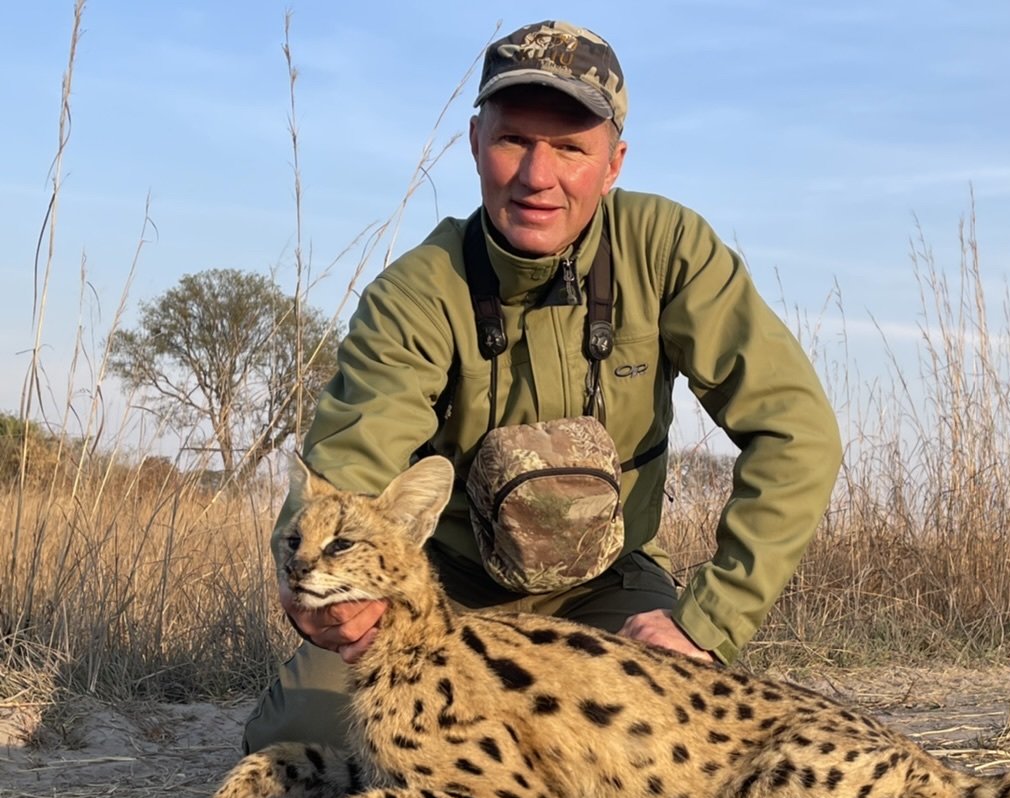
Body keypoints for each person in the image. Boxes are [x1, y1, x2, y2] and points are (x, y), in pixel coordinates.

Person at [242, 20, 842, 753]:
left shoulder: (669, 249)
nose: (537, 176)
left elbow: (796, 432)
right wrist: (335, 604)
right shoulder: (416, 293)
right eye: (512, 140)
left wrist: (707, 622)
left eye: (569, 148)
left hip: (607, 591)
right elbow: (343, 476)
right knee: (310, 739)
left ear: (614, 162)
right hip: (444, 598)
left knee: (669, 742)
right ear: (473, 141)